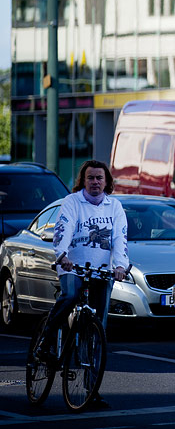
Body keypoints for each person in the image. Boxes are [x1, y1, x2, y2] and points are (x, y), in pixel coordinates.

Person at [36, 160, 129, 407]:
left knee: (98, 329)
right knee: (70, 295)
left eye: (100, 177)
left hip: (101, 270)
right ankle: (45, 342)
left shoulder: (115, 206)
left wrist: (120, 266)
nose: (95, 182)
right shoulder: (73, 202)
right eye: (91, 178)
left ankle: (91, 389)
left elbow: (120, 238)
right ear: (83, 180)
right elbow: (63, 229)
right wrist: (62, 254)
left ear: (107, 181)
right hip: (72, 265)